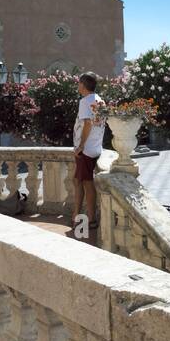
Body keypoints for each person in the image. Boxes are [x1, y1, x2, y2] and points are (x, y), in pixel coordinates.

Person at [72, 72, 105, 234]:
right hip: (96, 148)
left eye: (79, 83)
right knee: (79, 181)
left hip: (86, 150)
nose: (78, 86)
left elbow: (87, 124)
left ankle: (91, 219)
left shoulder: (85, 101)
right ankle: (77, 215)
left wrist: (80, 146)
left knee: (87, 183)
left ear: (83, 85)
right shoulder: (100, 100)